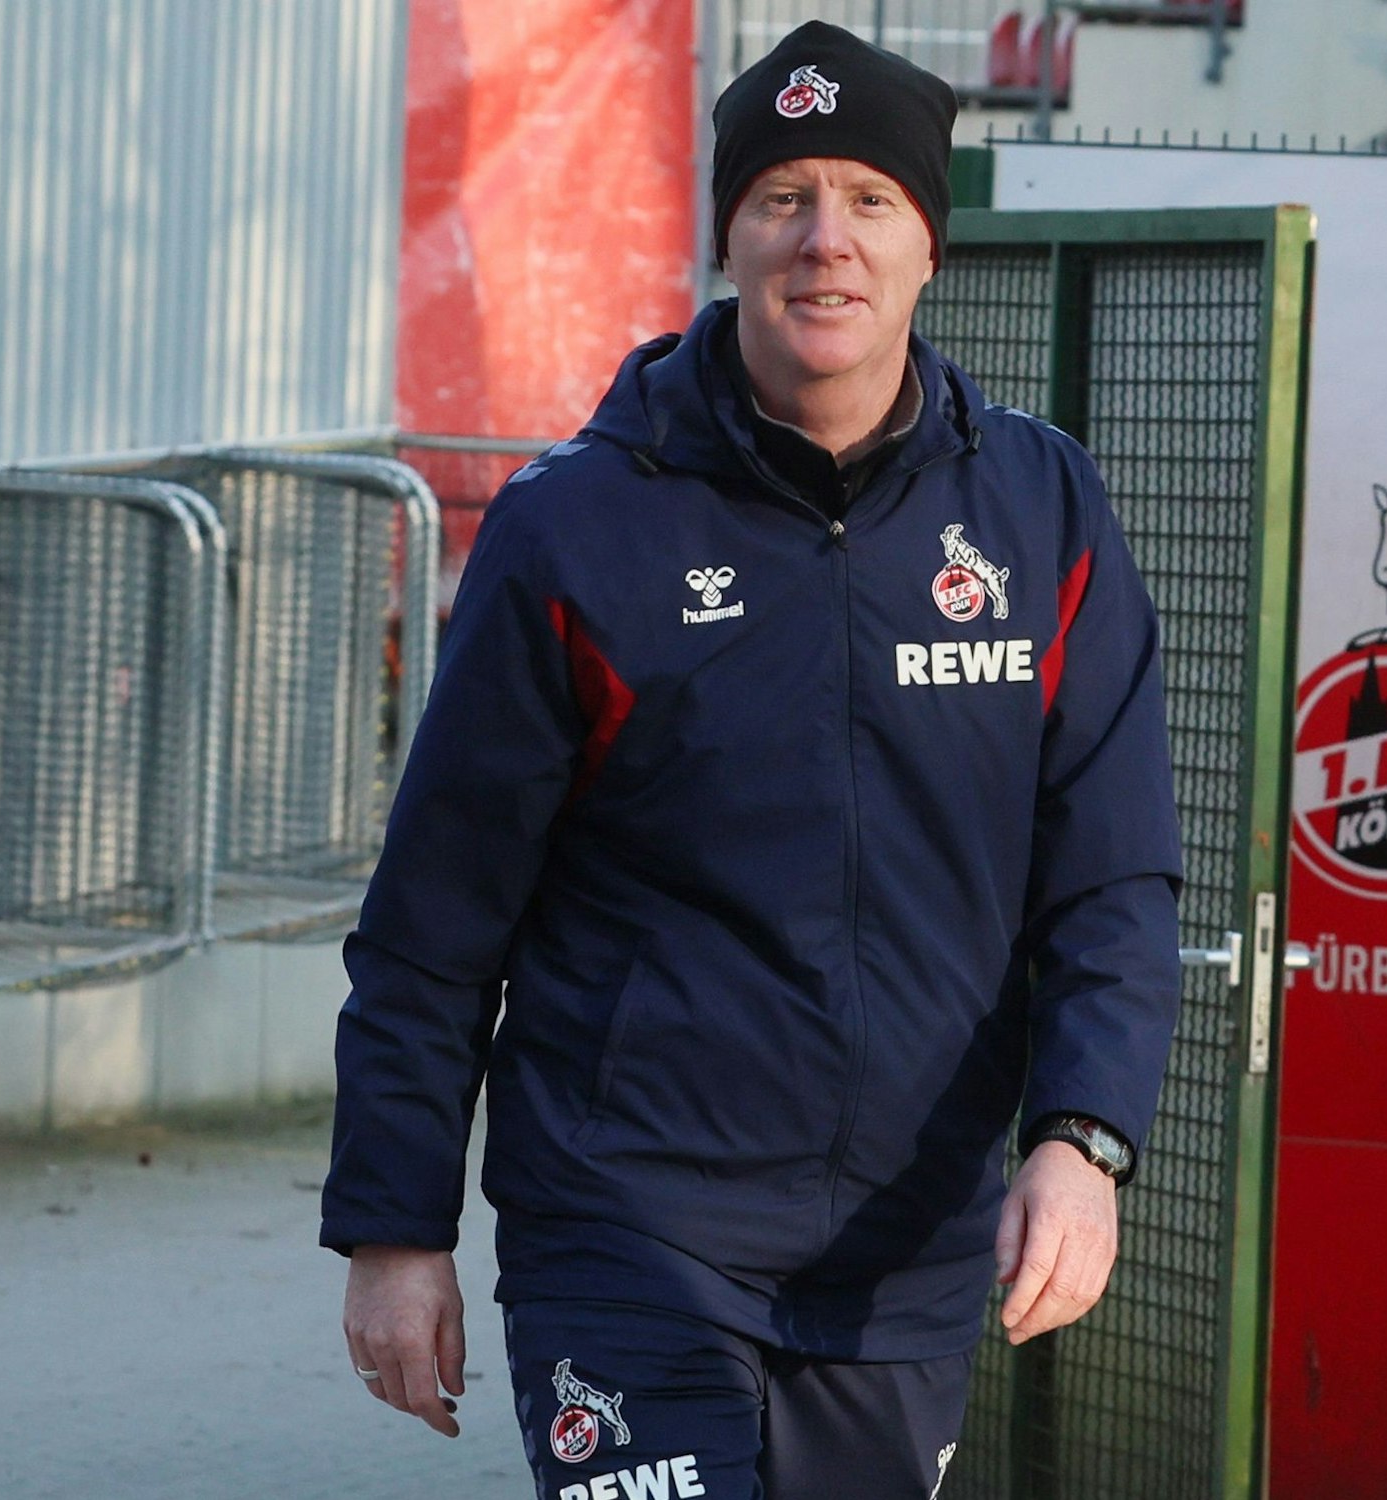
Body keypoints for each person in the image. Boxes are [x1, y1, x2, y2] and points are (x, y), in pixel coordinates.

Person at [320, 20, 1182, 1500]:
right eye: (783, 199)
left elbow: (1114, 879)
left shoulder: (1044, 514)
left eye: (869, 200)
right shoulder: (577, 531)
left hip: (901, 1260)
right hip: (628, 1228)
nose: (824, 242)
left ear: (931, 245)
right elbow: (436, 920)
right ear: (729, 237)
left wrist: (1085, 1142)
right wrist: (397, 1231)